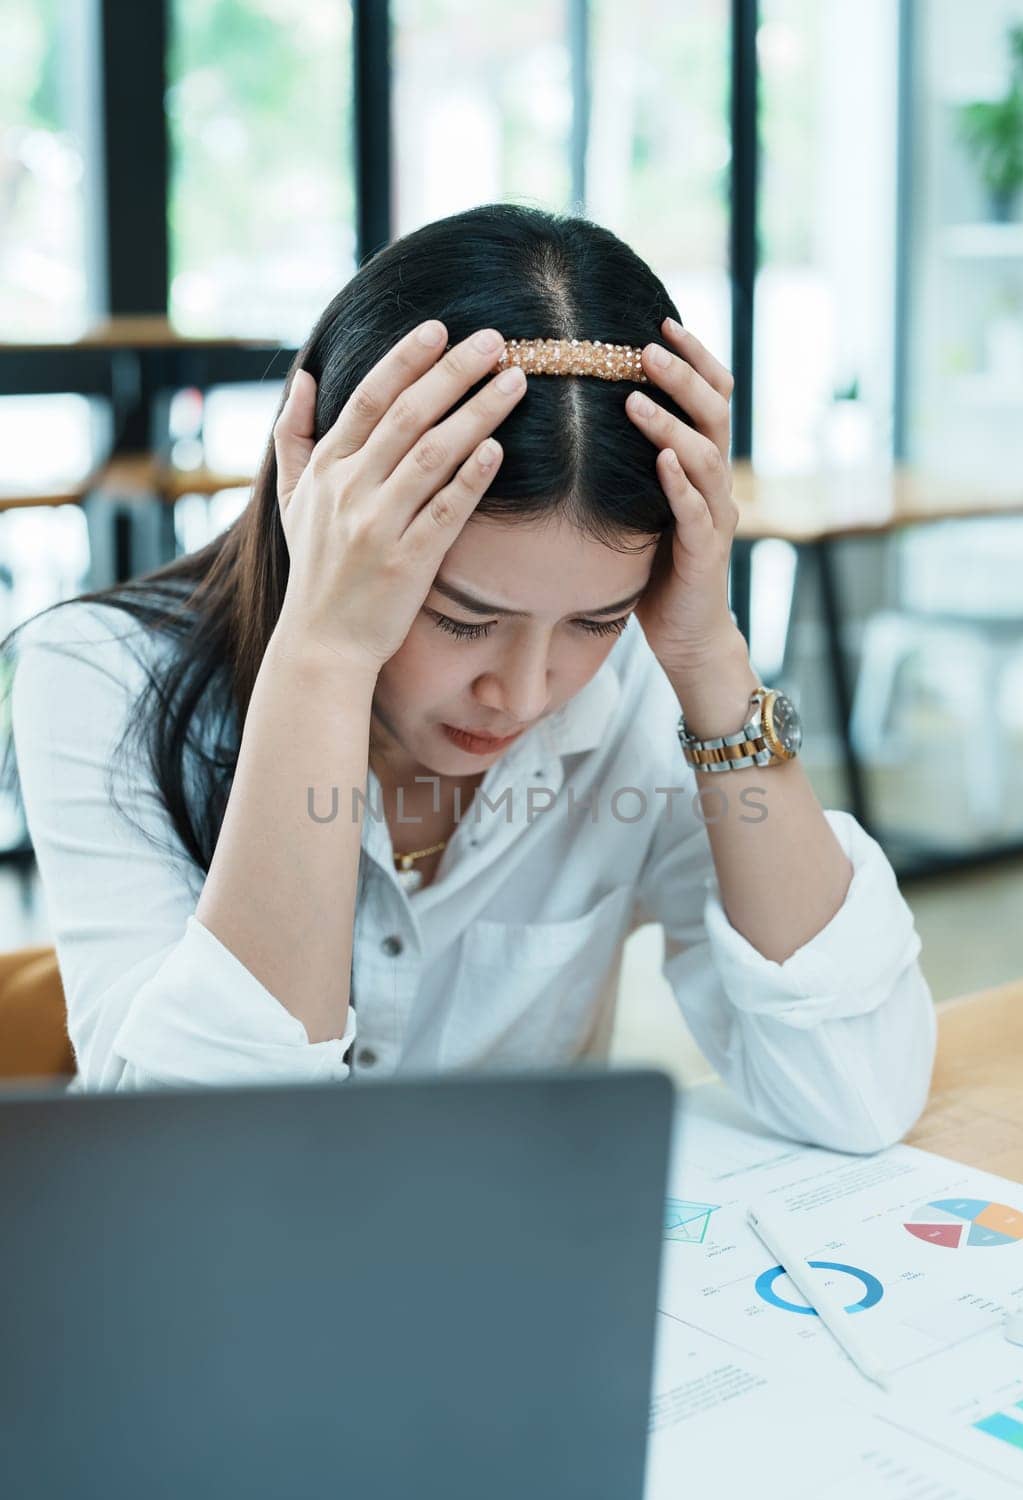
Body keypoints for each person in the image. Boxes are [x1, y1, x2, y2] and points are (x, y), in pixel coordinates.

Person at [2, 202, 935, 1151]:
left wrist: (708, 653)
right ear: (328, 507)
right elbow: (193, 1171)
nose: (525, 694)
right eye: (462, 617)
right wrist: (322, 653)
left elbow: (854, 1092)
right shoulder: (97, 679)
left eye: (595, 621)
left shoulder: (645, 693)